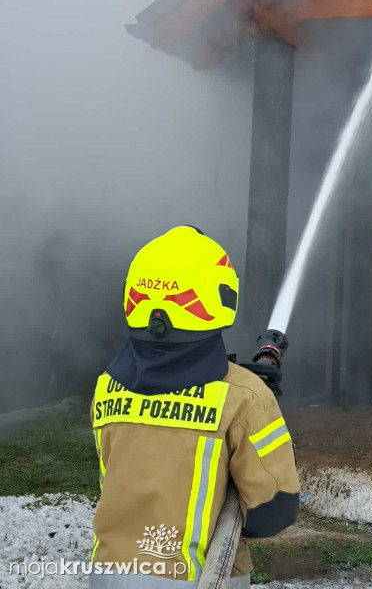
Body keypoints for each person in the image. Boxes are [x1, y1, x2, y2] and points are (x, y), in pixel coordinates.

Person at [90, 226, 299, 587]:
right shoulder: (244, 397)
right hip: (202, 578)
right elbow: (274, 511)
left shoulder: (107, 386)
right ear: (220, 297)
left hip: (108, 577)